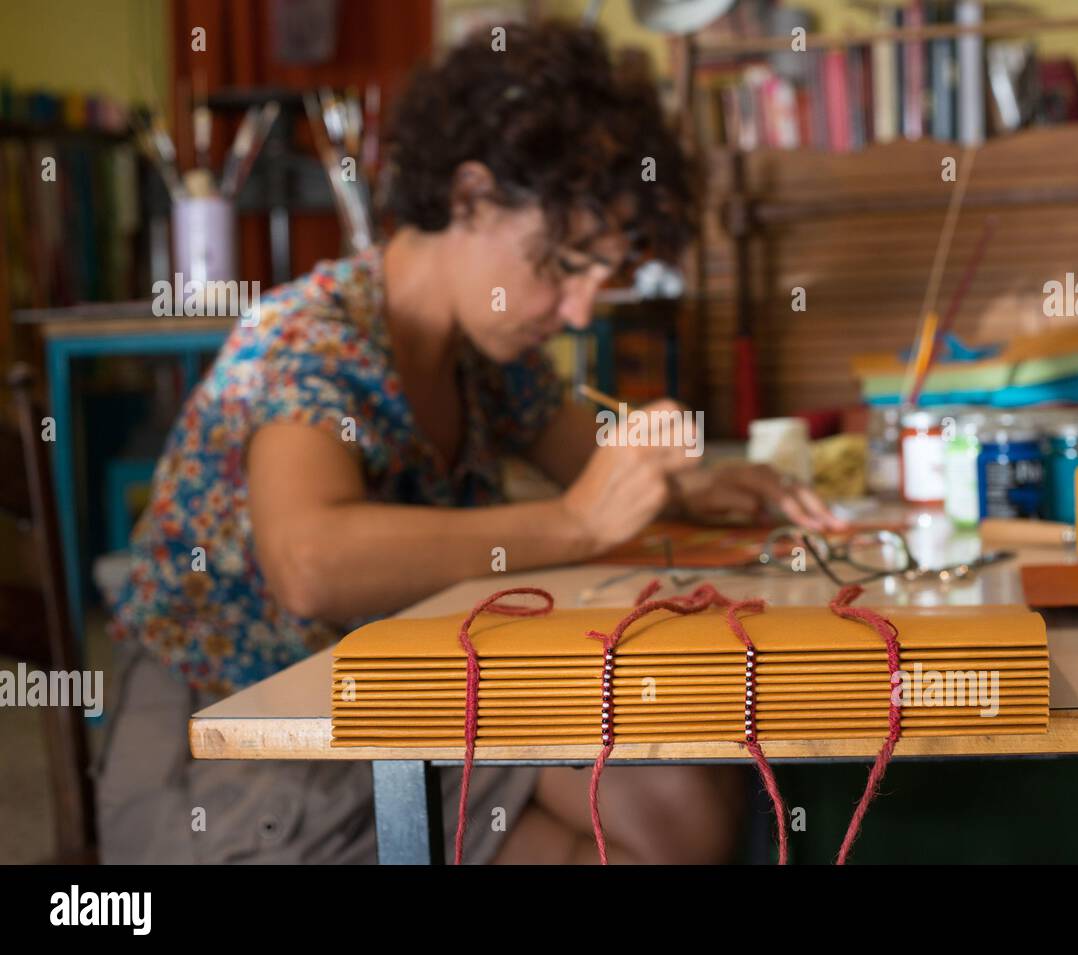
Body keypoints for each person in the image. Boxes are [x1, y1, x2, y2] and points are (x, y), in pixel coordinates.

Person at [97, 22, 843, 864]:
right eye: (562, 263)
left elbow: (590, 463)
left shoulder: (487, 356)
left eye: (601, 276)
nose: (578, 314)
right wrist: (575, 524)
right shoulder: (307, 339)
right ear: (472, 195)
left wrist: (692, 486)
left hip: (394, 706)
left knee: (684, 802)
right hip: (235, 748)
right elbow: (308, 562)